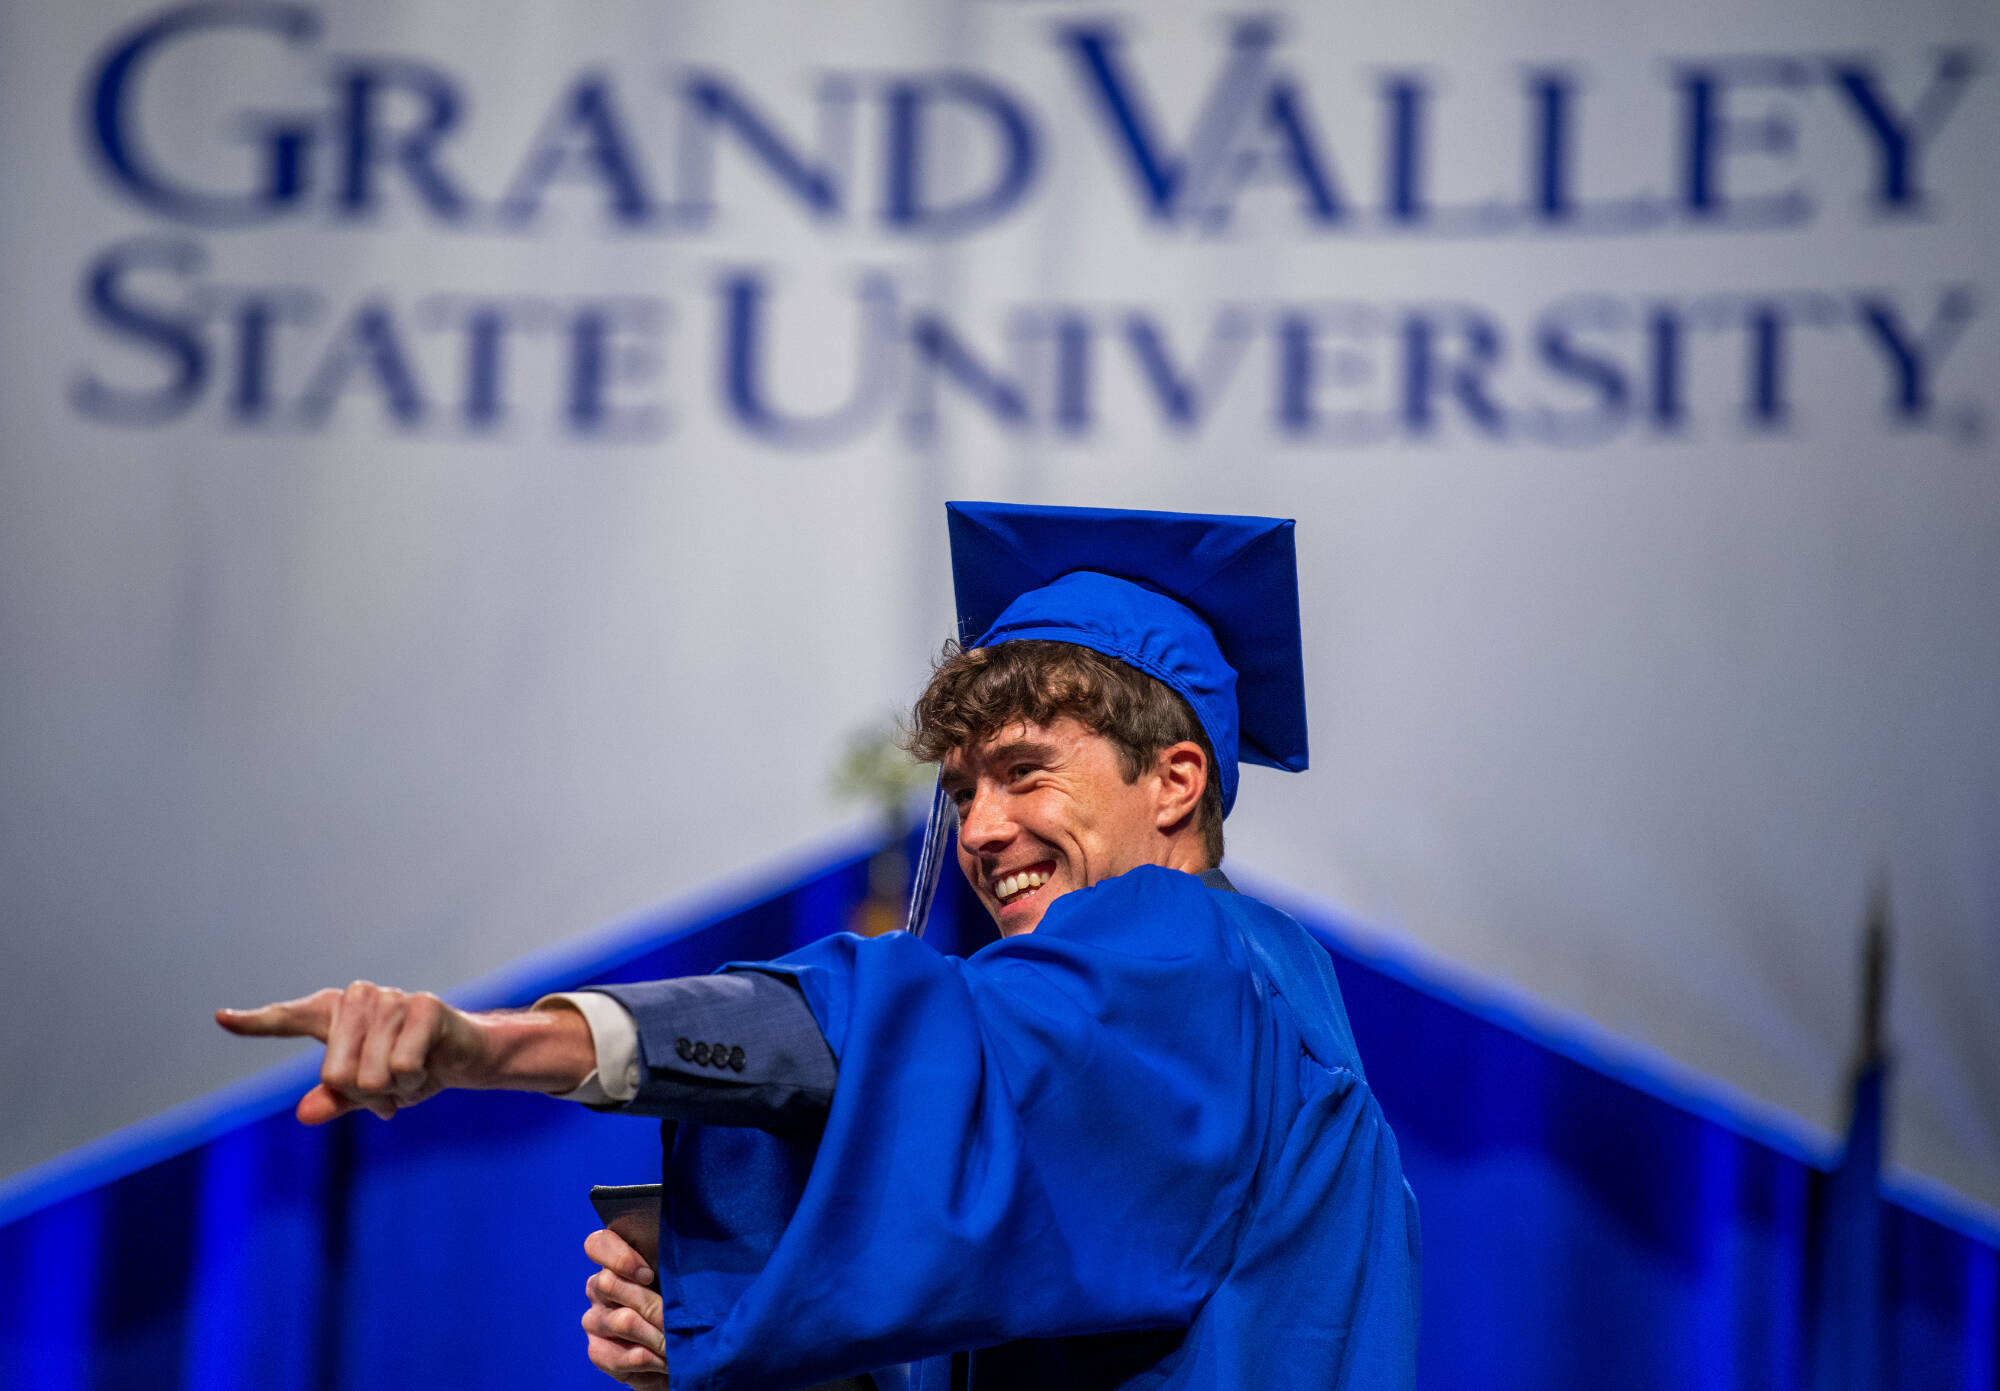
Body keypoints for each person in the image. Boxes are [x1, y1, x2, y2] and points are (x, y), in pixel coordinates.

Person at [219, 502, 1421, 1390]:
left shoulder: (1180, 945)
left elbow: (910, 1029)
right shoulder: (1260, 998)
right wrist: (716, 1319)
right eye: (961, 790)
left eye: (1021, 773)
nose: (982, 829)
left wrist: (507, 1042)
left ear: (1173, 781)